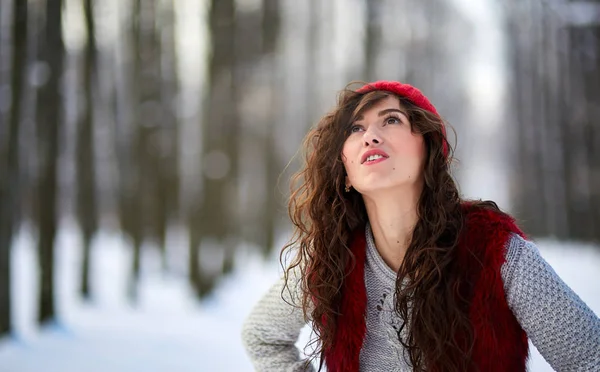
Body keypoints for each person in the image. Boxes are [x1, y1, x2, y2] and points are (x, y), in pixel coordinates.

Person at [241, 80, 600, 372]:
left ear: (429, 148)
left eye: (391, 120)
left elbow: (590, 359)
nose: (370, 135)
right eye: (355, 128)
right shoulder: (330, 259)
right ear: (345, 170)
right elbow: (261, 336)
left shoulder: (496, 251)